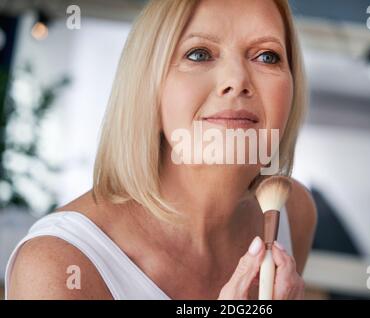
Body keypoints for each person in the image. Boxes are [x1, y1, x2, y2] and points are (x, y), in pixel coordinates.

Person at [6, 0, 316, 300]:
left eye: (266, 56)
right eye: (198, 54)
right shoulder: (57, 265)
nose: (236, 80)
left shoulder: (293, 212)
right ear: (149, 87)